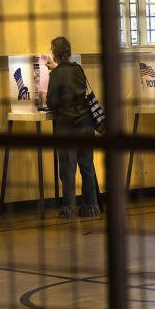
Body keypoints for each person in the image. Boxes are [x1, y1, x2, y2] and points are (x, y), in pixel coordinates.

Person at [45, 36, 100, 218]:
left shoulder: (55, 74)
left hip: (67, 127)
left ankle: (68, 208)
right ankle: (91, 206)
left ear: (55, 53)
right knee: (87, 167)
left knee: (68, 171)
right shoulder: (78, 69)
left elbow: (51, 102)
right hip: (86, 125)